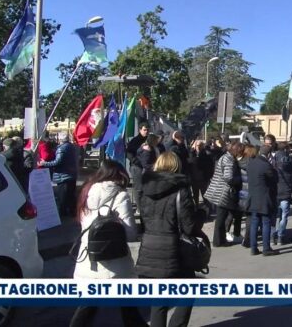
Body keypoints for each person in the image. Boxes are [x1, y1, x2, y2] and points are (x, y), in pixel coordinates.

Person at [70, 160, 147, 327]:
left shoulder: (86, 192)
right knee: (128, 307)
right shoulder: (120, 195)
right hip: (115, 260)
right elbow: (130, 233)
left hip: (89, 258)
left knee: (87, 307)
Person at [137, 152, 200, 327]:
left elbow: (143, 218)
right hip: (174, 249)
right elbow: (188, 226)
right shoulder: (181, 189)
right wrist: (199, 216)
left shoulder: (145, 189)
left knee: (158, 301)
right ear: (176, 166)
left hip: (148, 246)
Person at [204, 141, 243, 247]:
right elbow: (228, 177)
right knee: (221, 218)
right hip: (223, 192)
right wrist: (240, 179)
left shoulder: (225, 157)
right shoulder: (229, 160)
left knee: (222, 217)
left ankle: (220, 240)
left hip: (220, 191)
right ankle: (219, 241)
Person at [247, 145, 279, 256]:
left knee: (254, 222)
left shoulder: (251, 163)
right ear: (269, 154)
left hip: (253, 197)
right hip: (264, 198)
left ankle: (253, 248)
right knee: (266, 222)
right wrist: (273, 167)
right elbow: (275, 179)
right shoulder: (266, 165)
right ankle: (266, 248)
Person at [39, 134, 79, 217]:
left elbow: (57, 161)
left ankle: (63, 214)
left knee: (63, 197)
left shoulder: (62, 148)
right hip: (71, 174)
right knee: (71, 195)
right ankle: (72, 212)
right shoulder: (71, 146)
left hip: (63, 175)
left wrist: (44, 163)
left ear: (60, 139)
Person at [272, 142, 292, 246]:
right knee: (284, 215)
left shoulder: (272, 161)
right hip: (286, 191)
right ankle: (281, 237)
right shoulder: (291, 161)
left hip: (275, 191)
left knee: (273, 216)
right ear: (286, 149)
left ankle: (272, 236)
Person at [126, 123, 150, 211]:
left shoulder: (149, 140)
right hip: (137, 167)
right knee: (138, 189)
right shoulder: (135, 141)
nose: (146, 131)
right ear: (140, 130)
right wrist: (136, 161)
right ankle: (139, 208)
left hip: (147, 167)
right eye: (144, 130)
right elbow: (129, 153)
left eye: (148, 130)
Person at [189, 140, 214, 206]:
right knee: (195, 196)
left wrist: (209, 177)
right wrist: (192, 151)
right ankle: (197, 209)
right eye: (197, 145)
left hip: (203, 179)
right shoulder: (192, 154)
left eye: (200, 145)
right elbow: (190, 162)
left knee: (205, 196)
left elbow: (210, 166)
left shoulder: (206, 154)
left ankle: (208, 210)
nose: (198, 147)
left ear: (203, 146)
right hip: (194, 179)